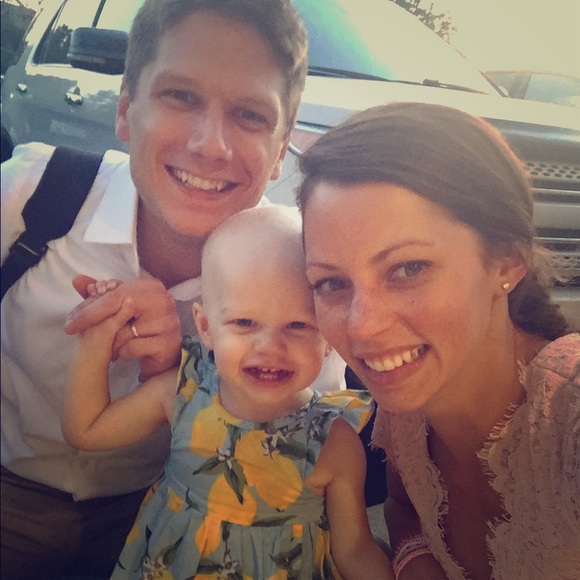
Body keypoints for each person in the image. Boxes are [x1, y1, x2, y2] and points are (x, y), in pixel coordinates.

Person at [1, 1, 348, 578]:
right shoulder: (31, 196)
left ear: (281, 146)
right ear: (125, 111)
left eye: (249, 115)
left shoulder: (300, 265)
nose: (211, 145)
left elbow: (295, 449)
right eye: (180, 96)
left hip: (158, 522)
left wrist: (181, 368)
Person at [296, 102, 579, 580]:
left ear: (507, 261)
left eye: (408, 269)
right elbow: (405, 506)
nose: (363, 328)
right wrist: (415, 563)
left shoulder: (568, 416)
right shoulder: (406, 410)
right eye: (331, 283)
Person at [62, 204, 393, 579]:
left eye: (298, 325)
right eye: (245, 322)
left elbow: (355, 550)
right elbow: (87, 430)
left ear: (329, 337)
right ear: (205, 327)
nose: (270, 347)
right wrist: (96, 337)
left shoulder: (334, 440)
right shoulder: (184, 393)